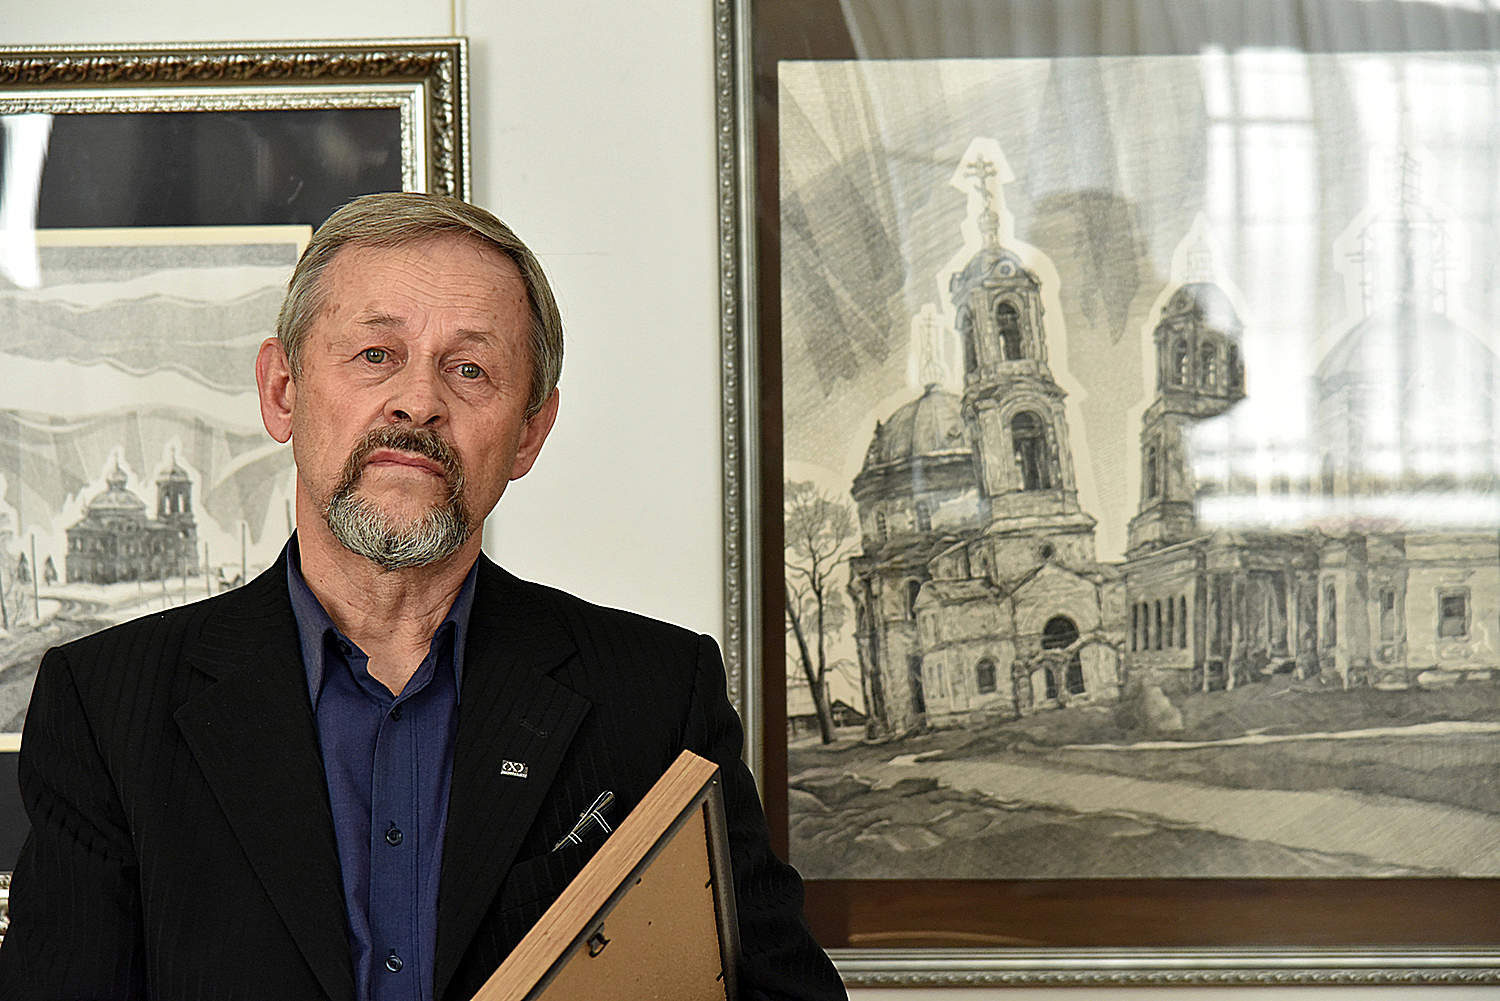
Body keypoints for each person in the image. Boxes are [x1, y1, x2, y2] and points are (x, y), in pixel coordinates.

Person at [0, 193, 845, 1001]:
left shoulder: (658, 692)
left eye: (470, 369)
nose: (418, 401)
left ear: (529, 432)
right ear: (282, 390)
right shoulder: (106, 707)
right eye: (376, 354)